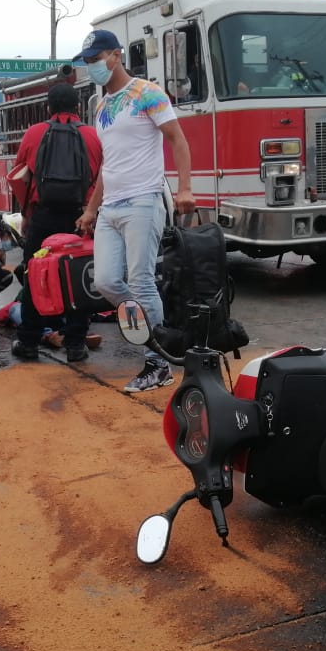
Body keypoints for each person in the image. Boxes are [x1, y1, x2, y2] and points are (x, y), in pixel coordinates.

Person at [72, 29, 197, 392]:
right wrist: (91, 210)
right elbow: (107, 166)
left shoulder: (148, 93)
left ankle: (157, 365)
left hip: (144, 200)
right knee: (106, 281)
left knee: (141, 280)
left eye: (97, 59)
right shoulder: (100, 105)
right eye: (88, 61)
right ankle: (153, 333)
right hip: (110, 207)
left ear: (116, 55)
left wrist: (186, 188)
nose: (93, 66)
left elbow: (178, 139)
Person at [7, 82, 103, 364]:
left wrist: (26, 216)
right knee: (79, 278)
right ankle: (75, 345)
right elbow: (100, 178)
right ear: (77, 106)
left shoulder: (35, 133)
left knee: (35, 276)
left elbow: (21, 175)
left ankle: (28, 342)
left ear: (48, 106)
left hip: (43, 217)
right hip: (80, 218)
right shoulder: (92, 135)